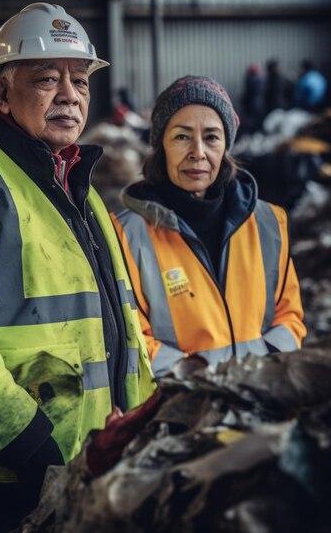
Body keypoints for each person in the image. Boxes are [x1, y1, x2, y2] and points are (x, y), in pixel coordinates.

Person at [0, 2, 155, 532]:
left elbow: (120, 325)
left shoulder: (80, 188)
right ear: (2, 93)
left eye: (81, 82)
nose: (70, 95)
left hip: (91, 464)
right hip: (6, 483)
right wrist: (37, 455)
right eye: (48, 79)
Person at [111, 75, 306, 378]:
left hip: (259, 400)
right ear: (161, 145)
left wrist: (263, 370)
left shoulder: (269, 223)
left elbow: (290, 315)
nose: (198, 152)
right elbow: (132, 338)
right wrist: (200, 381)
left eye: (212, 137)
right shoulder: (126, 235)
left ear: (226, 144)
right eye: (182, 136)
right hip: (181, 410)